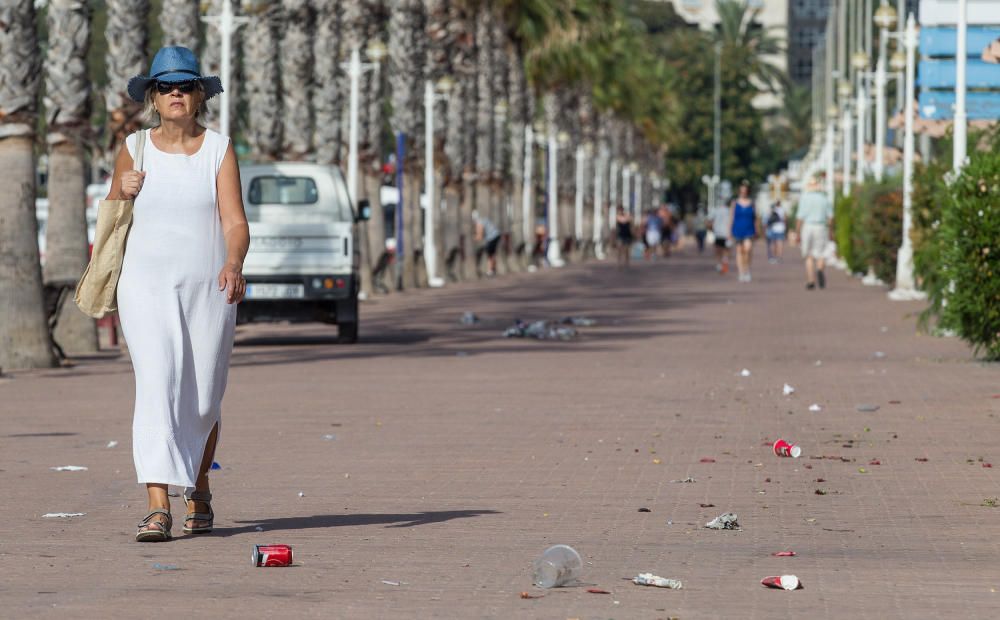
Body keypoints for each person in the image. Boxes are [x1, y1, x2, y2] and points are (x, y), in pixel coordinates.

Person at [111, 47, 249, 542]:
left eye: (185, 86)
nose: (176, 94)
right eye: (167, 86)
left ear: (198, 96)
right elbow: (110, 217)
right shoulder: (135, 147)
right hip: (144, 287)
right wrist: (120, 189)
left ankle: (200, 484)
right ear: (153, 95)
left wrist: (233, 263)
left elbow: (234, 221)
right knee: (157, 385)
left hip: (208, 290)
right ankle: (157, 506)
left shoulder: (219, 148)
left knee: (203, 398)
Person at [795, 177, 834, 290]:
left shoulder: (805, 198)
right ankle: (820, 269)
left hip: (808, 226)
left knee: (808, 255)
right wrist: (831, 231)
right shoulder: (824, 198)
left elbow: (800, 217)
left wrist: (797, 232)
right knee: (821, 253)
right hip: (821, 226)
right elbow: (831, 218)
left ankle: (811, 280)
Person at [729, 180, 759, 282]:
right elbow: (731, 217)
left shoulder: (752, 203)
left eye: (745, 191)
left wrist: (757, 230)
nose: (743, 193)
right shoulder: (734, 202)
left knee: (747, 249)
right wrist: (729, 231)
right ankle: (741, 272)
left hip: (749, 229)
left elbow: (755, 217)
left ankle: (747, 270)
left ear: (748, 191)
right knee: (739, 251)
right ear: (739, 192)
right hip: (737, 229)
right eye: (742, 191)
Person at [472, 210, 501, 276]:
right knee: (492, 253)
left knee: (489, 254)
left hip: (492, 237)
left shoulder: (479, 222)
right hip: (496, 235)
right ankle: (493, 269)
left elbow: (480, 235)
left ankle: (490, 270)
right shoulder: (484, 219)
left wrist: (474, 238)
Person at [710, 200, 731, 273]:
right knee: (726, 250)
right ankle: (724, 262)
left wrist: (712, 229)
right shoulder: (728, 210)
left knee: (718, 250)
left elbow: (710, 221)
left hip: (718, 233)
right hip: (726, 233)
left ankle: (719, 264)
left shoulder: (715, 210)